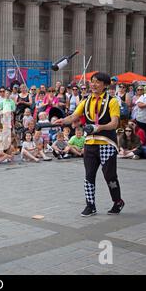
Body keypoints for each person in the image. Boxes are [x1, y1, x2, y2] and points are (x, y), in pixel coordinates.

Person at [54, 72, 125, 217]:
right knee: (89, 175)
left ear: (105, 85)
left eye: (97, 82)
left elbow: (115, 123)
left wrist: (100, 127)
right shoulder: (86, 101)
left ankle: (117, 201)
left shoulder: (112, 101)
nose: (93, 84)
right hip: (90, 143)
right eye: (92, 81)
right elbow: (74, 116)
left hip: (106, 143)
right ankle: (90, 205)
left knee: (109, 176)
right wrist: (62, 121)